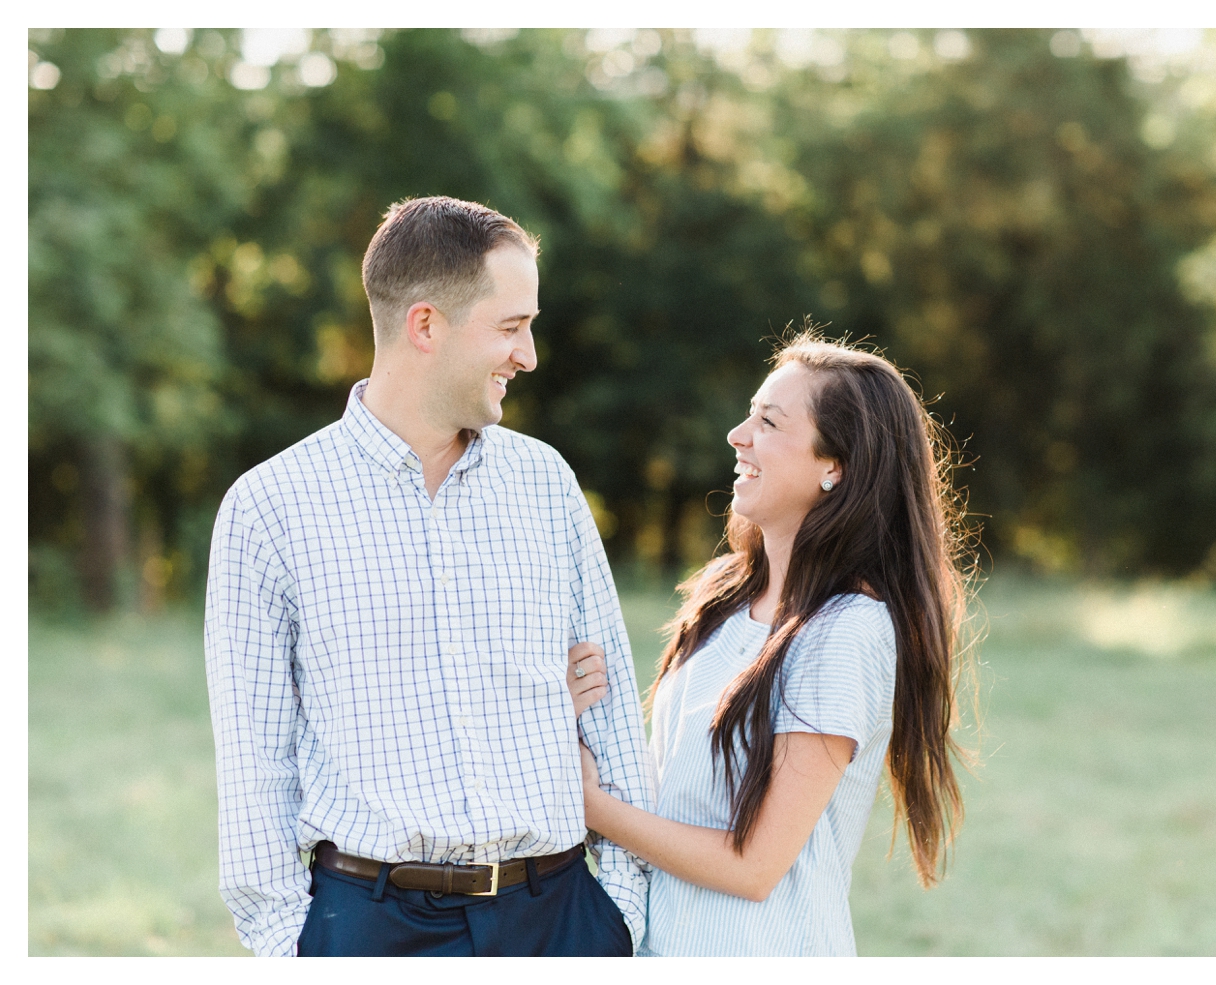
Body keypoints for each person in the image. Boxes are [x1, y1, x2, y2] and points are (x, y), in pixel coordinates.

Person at [204, 196, 652, 957]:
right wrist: (296, 949)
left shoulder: (545, 484)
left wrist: (620, 913)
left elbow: (610, 717)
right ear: (424, 325)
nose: (529, 354)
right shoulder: (270, 507)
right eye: (511, 327)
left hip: (563, 918)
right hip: (373, 927)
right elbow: (254, 761)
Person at [568, 332, 981, 956]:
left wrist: (589, 804)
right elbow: (667, 792)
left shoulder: (846, 632)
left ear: (834, 466)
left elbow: (753, 867)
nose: (738, 435)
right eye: (748, 414)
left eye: (769, 422)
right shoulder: (723, 599)